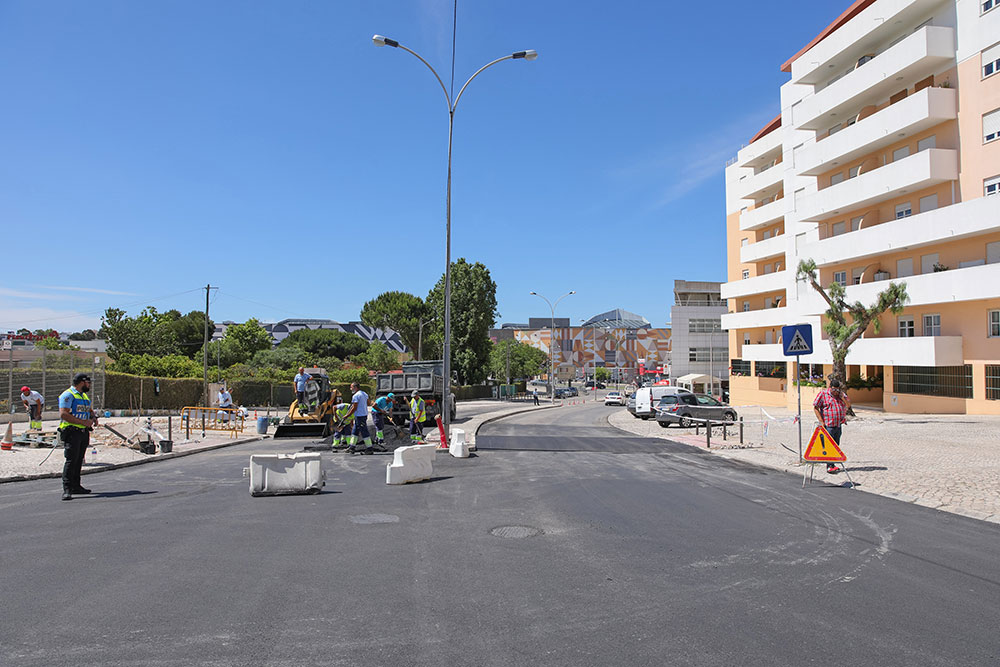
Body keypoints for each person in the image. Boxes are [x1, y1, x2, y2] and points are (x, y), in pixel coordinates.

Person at [58, 373, 98, 501]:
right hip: (72, 432)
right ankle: (67, 489)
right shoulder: (68, 395)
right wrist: (83, 422)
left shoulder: (83, 395)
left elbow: (89, 409)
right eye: (88, 383)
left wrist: (93, 417)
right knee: (71, 460)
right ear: (82, 382)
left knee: (79, 459)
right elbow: (64, 414)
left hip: (83, 432)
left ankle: (76, 486)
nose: (89, 385)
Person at [813, 378, 851, 474]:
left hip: (838, 424)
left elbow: (848, 405)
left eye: (837, 389)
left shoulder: (841, 395)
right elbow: (816, 407)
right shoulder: (823, 394)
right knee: (829, 446)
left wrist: (842, 398)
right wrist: (821, 421)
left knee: (836, 446)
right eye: (834, 389)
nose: (835, 392)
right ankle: (829, 466)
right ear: (830, 387)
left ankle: (832, 464)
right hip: (828, 425)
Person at [347, 382, 373, 454]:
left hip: (360, 416)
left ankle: (369, 448)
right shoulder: (364, 394)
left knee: (364, 431)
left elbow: (354, 407)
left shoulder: (356, 396)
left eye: (351, 387)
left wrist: (347, 415)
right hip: (363, 415)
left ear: (355, 387)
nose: (350, 389)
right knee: (355, 431)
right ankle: (352, 447)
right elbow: (368, 403)